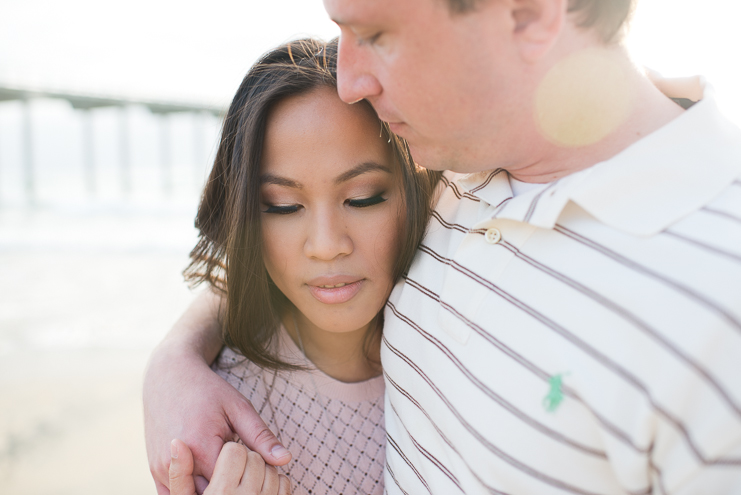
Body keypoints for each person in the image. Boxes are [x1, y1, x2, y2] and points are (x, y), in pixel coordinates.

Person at [144, 0, 741, 493]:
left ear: (529, 14)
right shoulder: (450, 176)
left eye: (375, 33)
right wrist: (175, 361)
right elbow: (283, 266)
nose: (349, 81)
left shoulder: (716, 315)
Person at [150, 38, 438, 495]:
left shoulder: (452, 331)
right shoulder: (221, 416)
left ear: (421, 191)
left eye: (362, 198)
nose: (326, 246)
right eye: (282, 206)